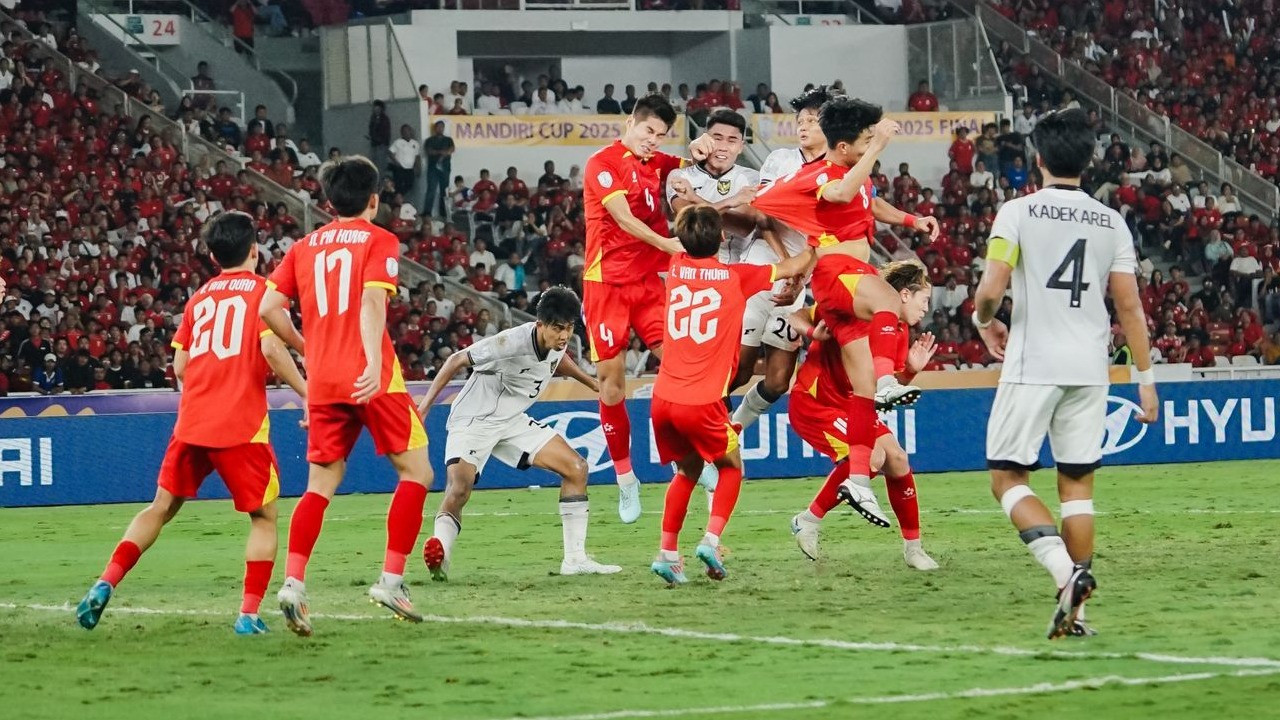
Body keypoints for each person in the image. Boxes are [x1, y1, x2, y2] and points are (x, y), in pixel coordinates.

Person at [972, 109, 1158, 639]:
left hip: (1035, 363)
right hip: (1090, 367)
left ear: (1037, 159)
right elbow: (1130, 310)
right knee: (1077, 488)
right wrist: (1145, 379)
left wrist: (983, 322)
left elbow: (990, 292)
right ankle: (1080, 615)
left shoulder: (1018, 212)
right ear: (1090, 160)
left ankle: (1065, 574)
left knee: (1007, 477)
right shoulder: (1112, 222)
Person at [76, 211, 307, 634]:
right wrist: (310, 394)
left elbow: (180, 365)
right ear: (254, 250)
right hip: (240, 424)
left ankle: (104, 583)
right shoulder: (263, 293)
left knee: (159, 508)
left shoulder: (199, 298)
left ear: (214, 256)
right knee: (263, 517)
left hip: (192, 421)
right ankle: (248, 615)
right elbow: (273, 352)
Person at [260, 156, 435, 636]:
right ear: (374, 200)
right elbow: (373, 300)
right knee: (416, 471)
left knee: (320, 484)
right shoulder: (380, 239)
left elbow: (269, 306)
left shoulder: (303, 247)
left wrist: (307, 346)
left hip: (325, 381)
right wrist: (375, 364)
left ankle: (293, 585)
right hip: (370, 375)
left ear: (328, 202)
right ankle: (392, 580)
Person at [649, 206, 830, 585]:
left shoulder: (677, 266)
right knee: (731, 468)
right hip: (702, 401)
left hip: (663, 397)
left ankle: (667, 553)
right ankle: (711, 542)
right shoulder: (737, 277)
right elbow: (793, 266)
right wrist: (816, 242)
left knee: (687, 470)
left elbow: (684, 232)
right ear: (720, 239)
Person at [416, 287, 620, 579]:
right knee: (460, 487)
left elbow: (556, 358)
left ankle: (575, 560)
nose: (564, 336)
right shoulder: (510, 342)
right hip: (474, 418)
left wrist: (591, 383)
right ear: (540, 325)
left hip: (511, 421)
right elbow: (456, 359)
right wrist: (424, 408)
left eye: (569, 328)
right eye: (558, 329)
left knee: (577, 468)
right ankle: (441, 556)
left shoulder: (556, 341)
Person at [752, 96, 937, 410]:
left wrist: (912, 220)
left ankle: (877, 401)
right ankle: (886, 382)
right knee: (889, 299)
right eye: (864, 141)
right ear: (842, 146)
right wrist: (878, 146)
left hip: (844, 271)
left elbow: (869, 201)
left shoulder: (857, 172)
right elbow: (840, 193)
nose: (868, 146)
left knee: (862, 393)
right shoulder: (821, 174)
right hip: (835, 271)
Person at [581, 93, 714, 523]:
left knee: (679, 366)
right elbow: (622, 217)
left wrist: (694, 156)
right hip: (606, 286)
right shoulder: (602, 164)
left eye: (660, 135)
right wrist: (666, 243)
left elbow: (688, 167)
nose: (653, 141)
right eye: (648, 131)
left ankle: (687, 456)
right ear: (630, 123)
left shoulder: (657, 162)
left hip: (650, 284)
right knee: (612, 386)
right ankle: (625, 479)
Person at [786, 260, 941, 570]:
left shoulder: (897, 332)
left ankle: (914, 549)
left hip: (854, 405)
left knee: (897, 459)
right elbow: (796, 315)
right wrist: (812, 332)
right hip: (816, 404)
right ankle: (809, 520)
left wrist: (910, 369)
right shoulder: (856, 306)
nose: (927, 310)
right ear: (905, 295)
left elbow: (884, 391)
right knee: (872, 458)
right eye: (924, 300)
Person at [423, 120, 455, 219]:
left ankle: (444, 212)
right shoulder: (430, 140)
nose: (440, 129)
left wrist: (441, 153)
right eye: (438, 127)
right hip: (433, 169)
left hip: (445, 168)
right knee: (431, 190)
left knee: (444, 191)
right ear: (435, 128)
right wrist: (442, 153)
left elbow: (451, 150)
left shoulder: (448, 139)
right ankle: (427, 212)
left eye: (442, 127)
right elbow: (429, 151)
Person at [388, 124, 421, 197]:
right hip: (400, 169)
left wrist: (418, 167)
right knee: (398, 187)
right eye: (404, 131)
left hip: (410, 169)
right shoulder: (398, 142)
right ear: (401, 132)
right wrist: (396, 162)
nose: (406, 133)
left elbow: (417, 156)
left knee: (410, 186)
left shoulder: (415, 143)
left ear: (410, 131)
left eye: (407, 131)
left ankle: (403, 199)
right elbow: (390, 152)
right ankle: (398, 201)